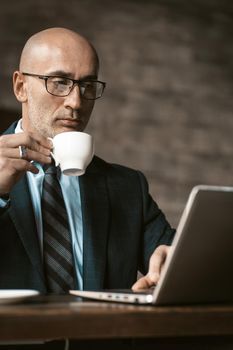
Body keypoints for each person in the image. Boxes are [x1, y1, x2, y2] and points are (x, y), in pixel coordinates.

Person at [0, 27, 175, 294]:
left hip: (99, 335)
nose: (76, 101)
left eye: (87, 85)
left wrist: (172, 259)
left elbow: (178, 256)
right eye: (59, 82)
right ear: (21, 87)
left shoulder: (128, 188)